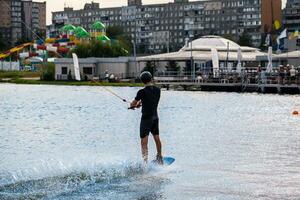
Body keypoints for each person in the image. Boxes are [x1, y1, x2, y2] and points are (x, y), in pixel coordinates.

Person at [129, 71, 163, 165]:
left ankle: (145, 163)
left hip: (146, 119)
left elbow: (133, 103)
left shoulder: (141, 92)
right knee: (157, 138)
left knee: (144, 141)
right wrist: (140, 104)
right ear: (151, 79)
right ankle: (160, 157)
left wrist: (133, 105)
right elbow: (150, 100)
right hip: (155, 118)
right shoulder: (158, 90)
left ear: (142, 81)